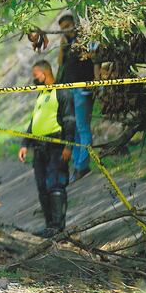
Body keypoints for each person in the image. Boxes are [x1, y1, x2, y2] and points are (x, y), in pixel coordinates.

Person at [20, 60, 75, 238]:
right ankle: (49, 226)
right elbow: (34, 122)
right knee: (42, 187)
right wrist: (24, 144)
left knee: (55, 184)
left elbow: (69, 121)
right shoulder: (41, 94)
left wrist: (68, 145)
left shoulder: (62, 92)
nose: (34, 79)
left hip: (56, 146)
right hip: (39, 148)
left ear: (45, 73)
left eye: (36, 76)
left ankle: (58, 227)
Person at [57, 13, 98, 181]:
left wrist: (96, 83)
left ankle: (82, 166)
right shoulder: (66, 44)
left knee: (82, 126)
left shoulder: (85, 39)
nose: (66, 29)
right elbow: (60, 65)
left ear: (74, 23)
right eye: (62, 28)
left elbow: (96, 59)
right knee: (72, 128)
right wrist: (62, 47)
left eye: (68, 25)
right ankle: (77, 163)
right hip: (68, 88)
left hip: (83, 87)